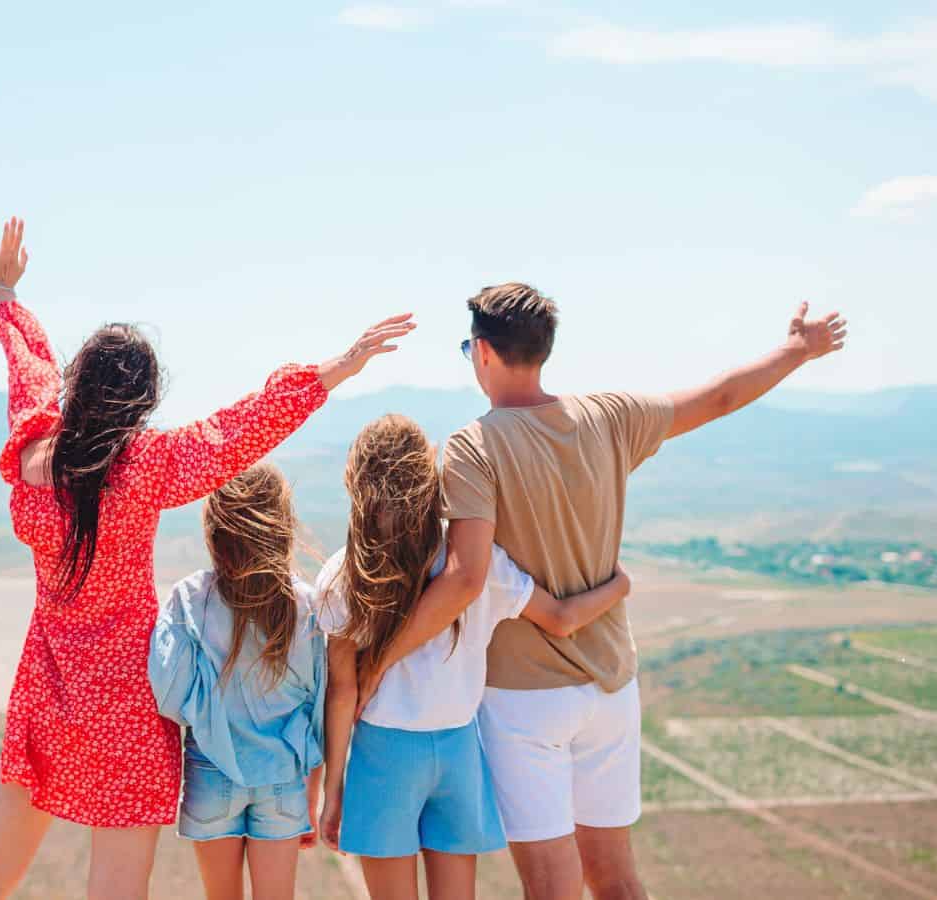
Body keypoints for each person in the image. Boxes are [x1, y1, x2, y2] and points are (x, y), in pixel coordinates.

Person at [0, 217, 415, 900]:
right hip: (129, 703)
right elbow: (237, 431)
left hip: (47, 686)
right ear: (140, 402)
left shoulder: (33, 450)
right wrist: (333, 371)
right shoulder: (144, 465)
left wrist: (5, 296)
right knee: (117, 890)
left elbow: (28, 374)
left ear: (79, 386)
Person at [358, 284, 849, 900]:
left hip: (524, 698)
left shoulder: (472, 447)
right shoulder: (610, 416)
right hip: (612, 682)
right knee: (617, 880)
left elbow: (465, 577)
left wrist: (380, 658)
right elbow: (722, 396)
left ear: (482, 352)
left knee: (550, 887)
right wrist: (796, 351)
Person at [316, 414, 630, 900]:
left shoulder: (343, 574)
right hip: (460, 754)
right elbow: (563, 617)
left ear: (356, 482)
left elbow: (342, 694)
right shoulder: (477, 563)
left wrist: (333, 790)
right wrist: (620, 585)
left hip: (384, 756)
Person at [148, 462, 326, 900]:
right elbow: (319, 705)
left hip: (211, 773)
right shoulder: (306, 604)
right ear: (283, 527)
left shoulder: (189, 597)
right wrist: (312, 794)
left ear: (215, 531)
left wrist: (207, 709)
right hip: (285, 778)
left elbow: (168, 693)